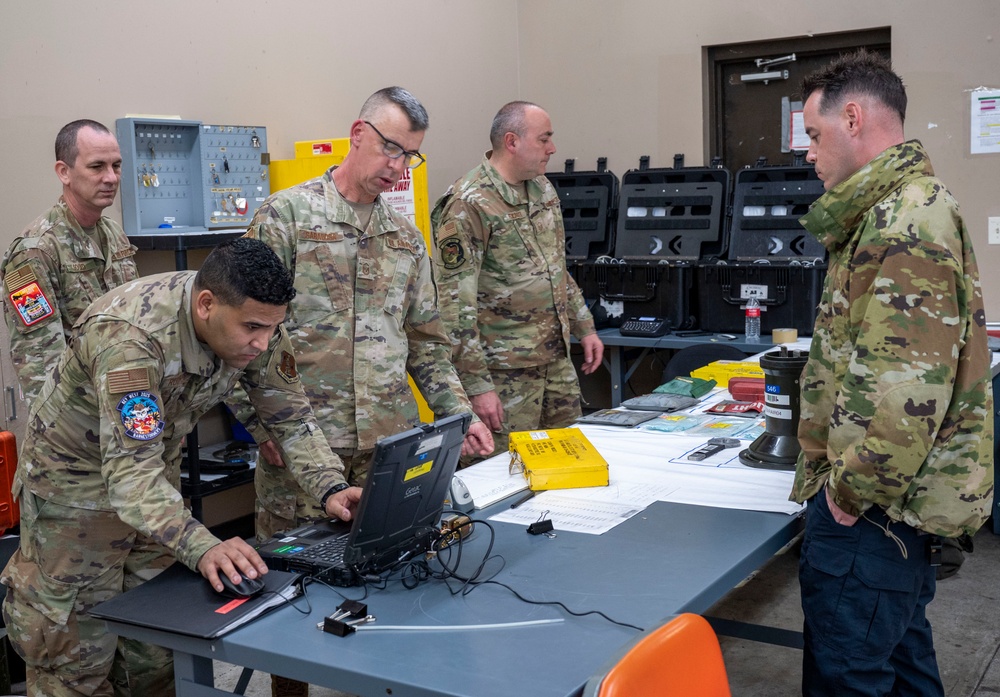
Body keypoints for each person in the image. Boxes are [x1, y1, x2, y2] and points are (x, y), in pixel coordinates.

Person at [1, 238, 362, 697]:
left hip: (155, 489)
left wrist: (331, 487)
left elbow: (290, 418)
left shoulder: (258, 323)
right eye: (253, 327)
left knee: (159, 651)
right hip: (74, 500)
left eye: (273, 328)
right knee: (76, 661)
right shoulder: (131, 339)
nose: (263, 342)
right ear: (207, 304)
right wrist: (202, 546)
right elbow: (129, 478)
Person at [242, 87, 492, 696]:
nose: (398, 167)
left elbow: (428, 344)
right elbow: (241, 338)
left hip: (386, 448)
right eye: (391, 149)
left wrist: (460, 415)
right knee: (289, 599)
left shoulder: (406, 238)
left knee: (390, 587)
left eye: (410, 157)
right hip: (303, 449)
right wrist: (261, 426)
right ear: (357, 134)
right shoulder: (286, 218)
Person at [792, 49, 994, 696]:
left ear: (854, 118)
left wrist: (847, 496)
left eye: (815, 135)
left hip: (875, 511)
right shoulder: (899, 208)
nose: (808, 152)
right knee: (903, 664)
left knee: (850, 675)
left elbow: (906, 388)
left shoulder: (902, 219)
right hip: (892, 511)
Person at [430, 101, 604, 459]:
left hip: (554, 360)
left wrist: (584, 325)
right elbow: (454, 308)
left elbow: (556, 266)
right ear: (512, 141)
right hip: (502, 375)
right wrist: (476, 387)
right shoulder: (468, 203)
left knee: (567, 463)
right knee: (503, 475)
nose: (552, 148)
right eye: (544, 139)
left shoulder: (542, 189)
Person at [1, 119, 138, 403]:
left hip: (124, 398)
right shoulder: (35, 251)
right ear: (64, 172)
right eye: (97, 166)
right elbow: (39, 362)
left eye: (116, 165)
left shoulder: (113, 234)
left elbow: (134, 327)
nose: (111, 177)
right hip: (75, 419)